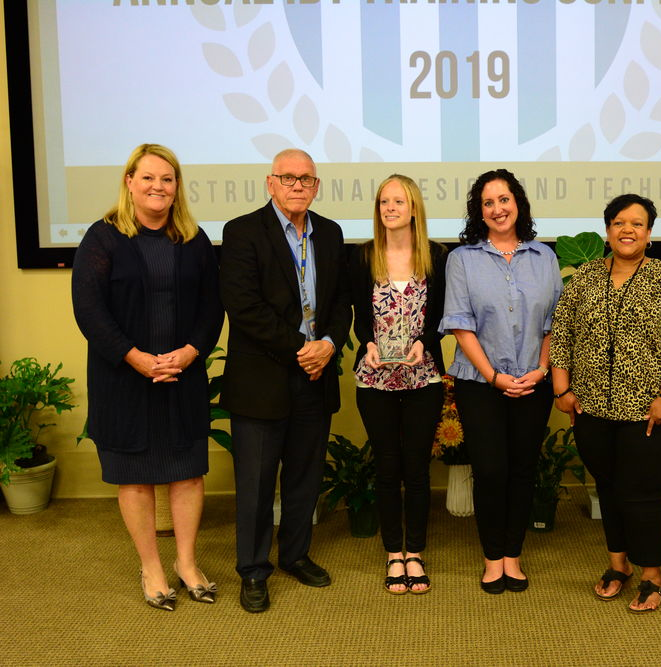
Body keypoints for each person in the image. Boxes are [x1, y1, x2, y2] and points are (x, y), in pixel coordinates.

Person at [71, 143, 224, 611]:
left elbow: (211, 306)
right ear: (129, 182)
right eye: (149, 178)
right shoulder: (102, 238)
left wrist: (190, 352)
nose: (158, 187)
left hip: (183, 376)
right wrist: (135, 357)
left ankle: (186, 562)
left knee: (187, 474)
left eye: (168, 179)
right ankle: (151, 567)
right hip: (124, 378)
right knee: (134, 478)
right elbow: (89, 311)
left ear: (177, 188)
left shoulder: (194, 239)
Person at [550, 194, 661, 614]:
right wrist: (562, 390)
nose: (627, 230)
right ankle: (619, 566)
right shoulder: (586, 278)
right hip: (592, 408)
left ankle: (652, 574)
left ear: (649, 233)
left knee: (646, 494)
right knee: (610, 488)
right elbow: (562, 335)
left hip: (650, 411)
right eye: (618, 222)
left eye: (637, 223)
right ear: (607, 230)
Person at [219, 148, 352, 613]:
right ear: (270, 183)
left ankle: (295, 554)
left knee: (304, 477)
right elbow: (245, 308)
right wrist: (304, 349)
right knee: (256, 484)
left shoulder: (331, 233)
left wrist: (330, 343)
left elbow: (342, 302)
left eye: (307, 179)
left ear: (317, 186)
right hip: (264, 378)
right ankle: (253, 571)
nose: (298, 186)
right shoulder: (240, 232)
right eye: (288, 178)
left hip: (315, 377)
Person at [439, 168, 562, 594]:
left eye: (504, 199)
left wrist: (542, 369)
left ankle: (514, 555)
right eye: (488, 202)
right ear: (479, 211)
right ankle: (493, 558)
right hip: (480, 383)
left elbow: (553, 324)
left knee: (523, 471)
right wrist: (494, 376)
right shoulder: (462, 260)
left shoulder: (544, 257)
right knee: (491, 471)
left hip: (534, 380)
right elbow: (459, 325)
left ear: (518, 204)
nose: (497, 209)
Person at [349, 174, 448, 594]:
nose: (390, 208)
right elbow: (356, 316)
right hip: (375, 380)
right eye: (383, 201)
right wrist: (366, 343)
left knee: (417, 468)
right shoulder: (361, 256)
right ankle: (394, 554)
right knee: (387, 466)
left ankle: (416, 551)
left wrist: (425, 343)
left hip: (423, 378)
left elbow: (444, 316)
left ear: (413, 208)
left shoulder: (438, 257)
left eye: (399, 201)